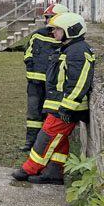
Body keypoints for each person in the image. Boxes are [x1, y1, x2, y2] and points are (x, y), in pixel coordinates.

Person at [12, 12, 94, 185]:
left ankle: (29, 168)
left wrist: (67, 107)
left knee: (46, 137)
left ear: (71, 30)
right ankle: (53, 172)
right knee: (60, 141)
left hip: (64, 108)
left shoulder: (77, 52)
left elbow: (78, 83)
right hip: (59, 105)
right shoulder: (70, 48)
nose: (53, 32)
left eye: (57, 29)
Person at [20, 4, 68, 152]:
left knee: (49, 114)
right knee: (33, 113)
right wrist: (29, 64)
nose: (47, 21)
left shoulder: (65, 38)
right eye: (47, 18)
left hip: (53, 84)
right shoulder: (38, 34)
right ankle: (30, 142)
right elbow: (28, 51)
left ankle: (44, 144)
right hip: (34, 82)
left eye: (50, 17)